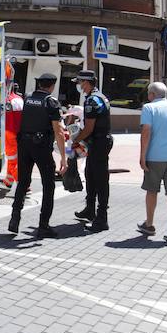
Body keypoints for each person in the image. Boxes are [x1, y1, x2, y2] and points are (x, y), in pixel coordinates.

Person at [8, 73, 65, 238]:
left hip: (24, 145)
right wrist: (64, 158)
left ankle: (14, 219)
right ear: (52, 86)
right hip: (41, 147)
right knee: (49, 185)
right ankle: (43, 225)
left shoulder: (27, 98)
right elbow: (58, 131)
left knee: (23, 182)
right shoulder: (51, 102)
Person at [136, 82, 167, 244]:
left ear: (151, 94)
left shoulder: (149, 108)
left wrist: (142, 156)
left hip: (155, 157)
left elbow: (146, 132)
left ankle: (149, 224)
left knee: (151, 191)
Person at [72, 70, 112, 232]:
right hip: (99, 142)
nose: (79, 86)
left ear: (86, 82)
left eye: (80, 82)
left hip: (99, 143)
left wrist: (76, 139)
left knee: (100, 180)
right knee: (90, 175)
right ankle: (90, 209)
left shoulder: (92, 101)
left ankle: (101, 219)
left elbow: (89, 128)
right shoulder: (99, 96)